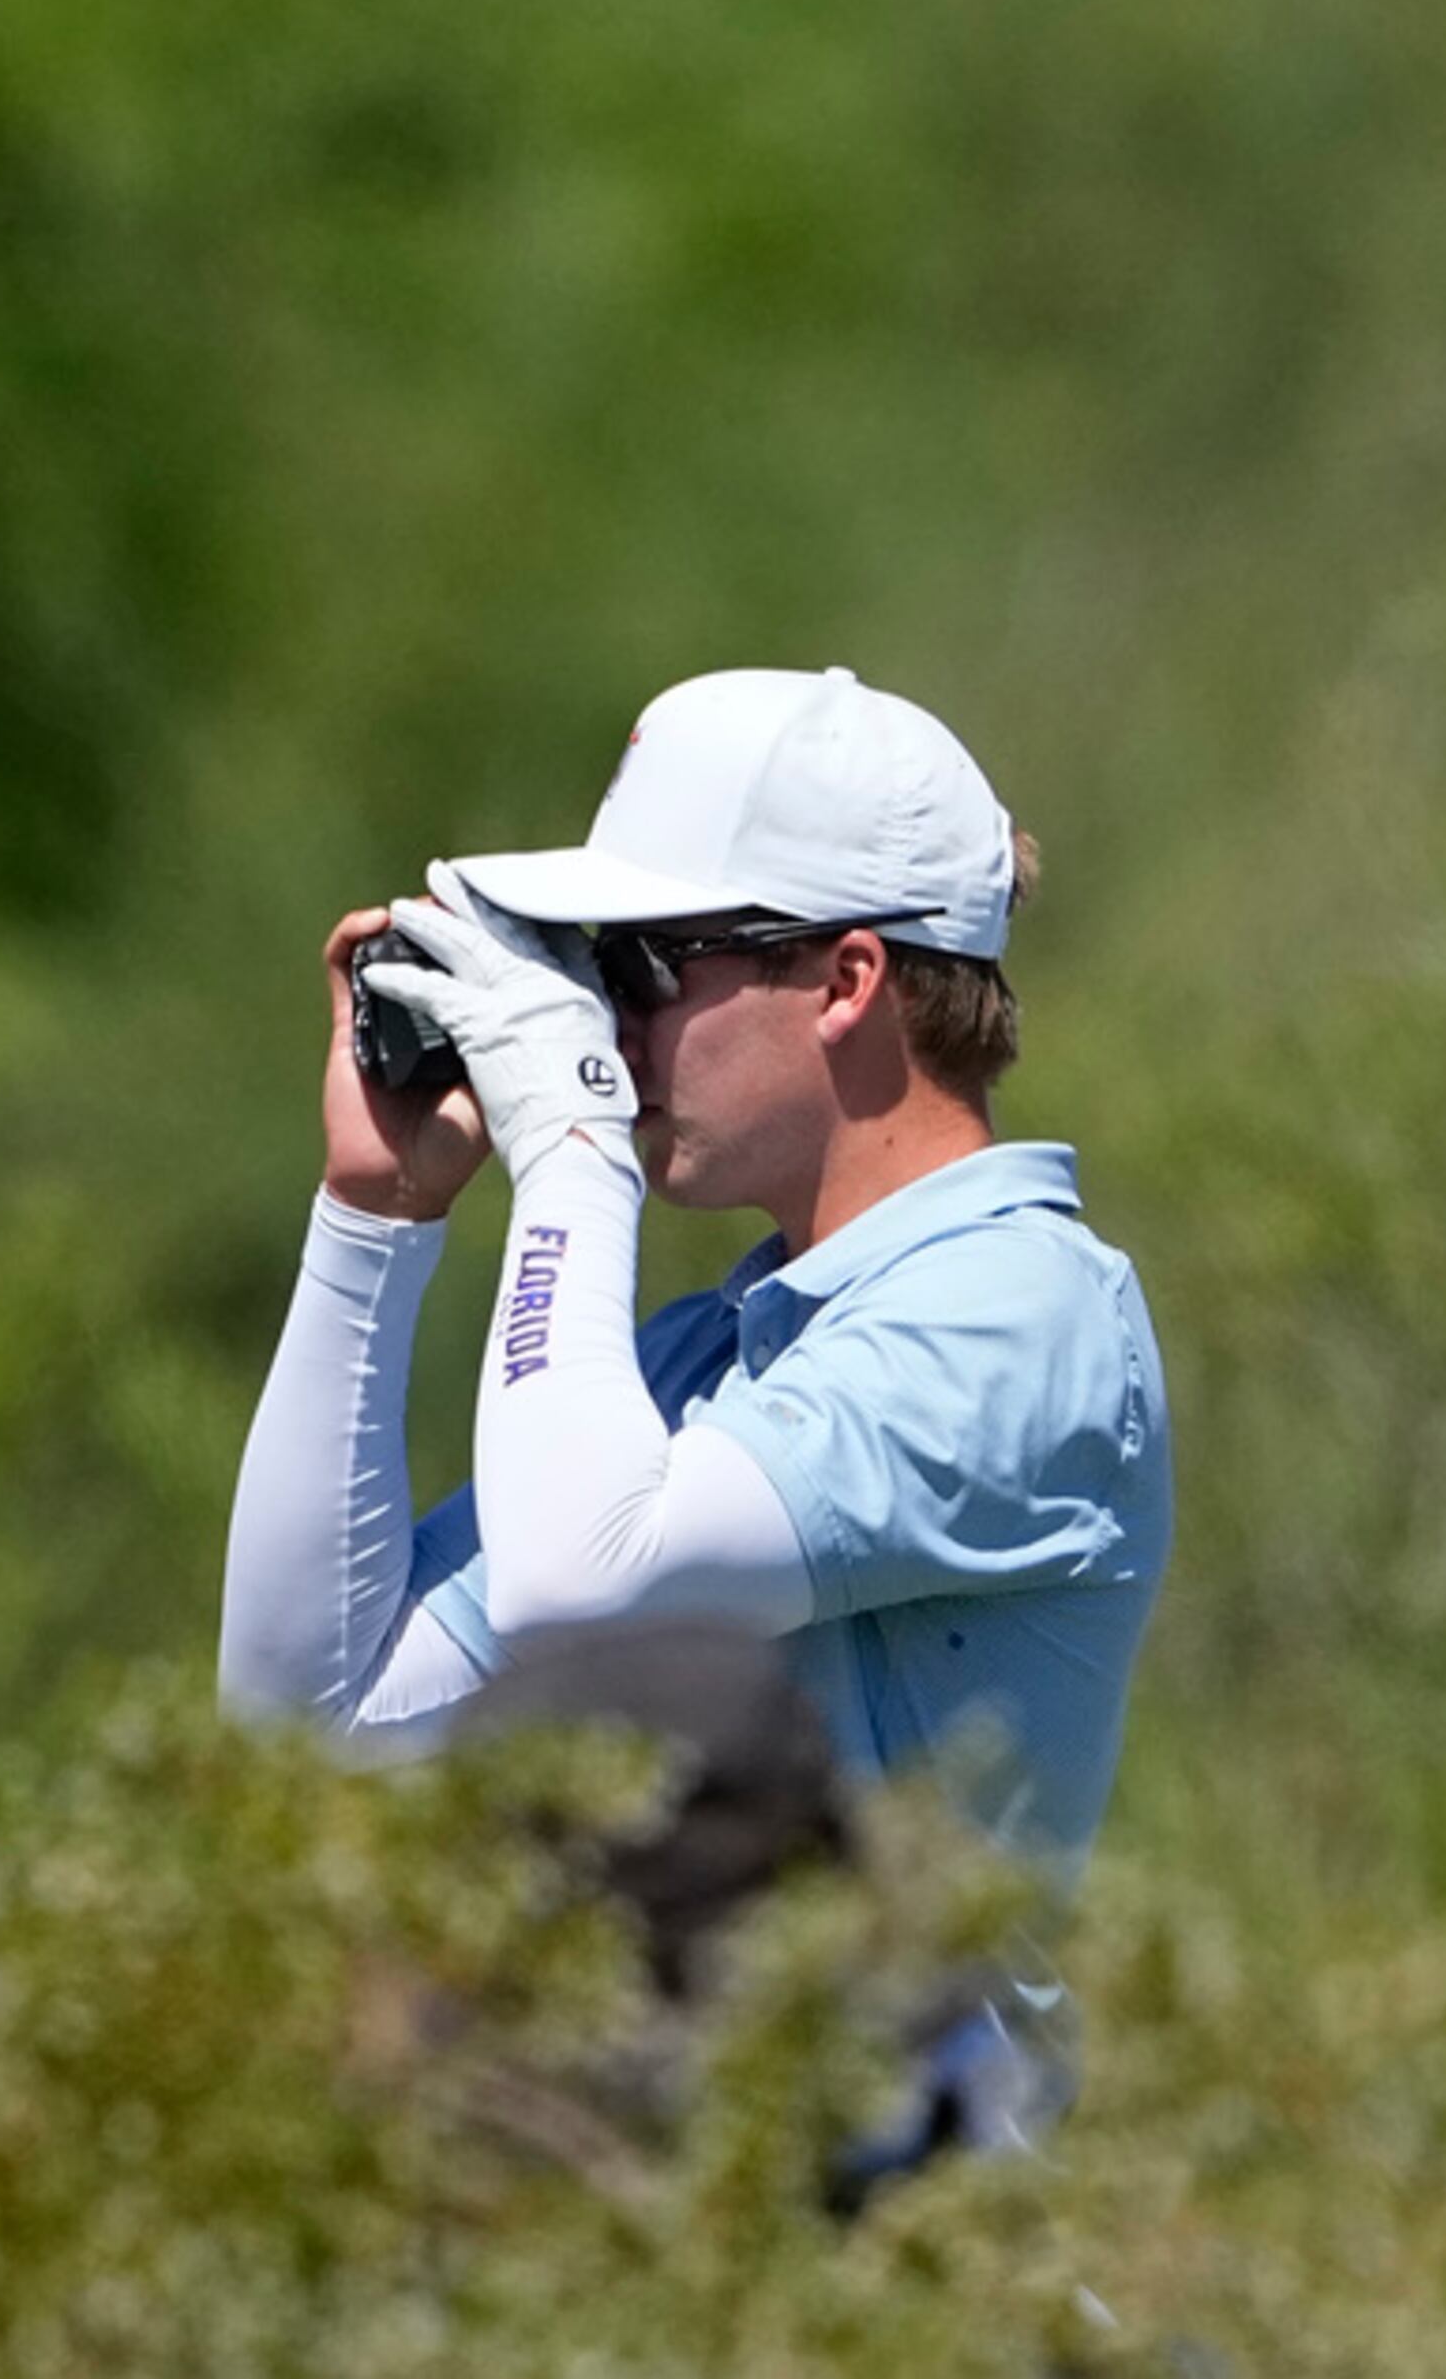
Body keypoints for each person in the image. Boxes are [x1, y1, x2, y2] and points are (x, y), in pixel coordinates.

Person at [218, 661, 1172, 1958]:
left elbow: (577, 1582)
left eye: (649, 963)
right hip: (696, 2143)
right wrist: (372, 1218)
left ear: (846, 980)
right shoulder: (709, 1358)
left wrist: (570, 1140)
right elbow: (306, 1729)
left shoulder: (1021, 1312)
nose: (608, 1020)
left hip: (923, 2156)